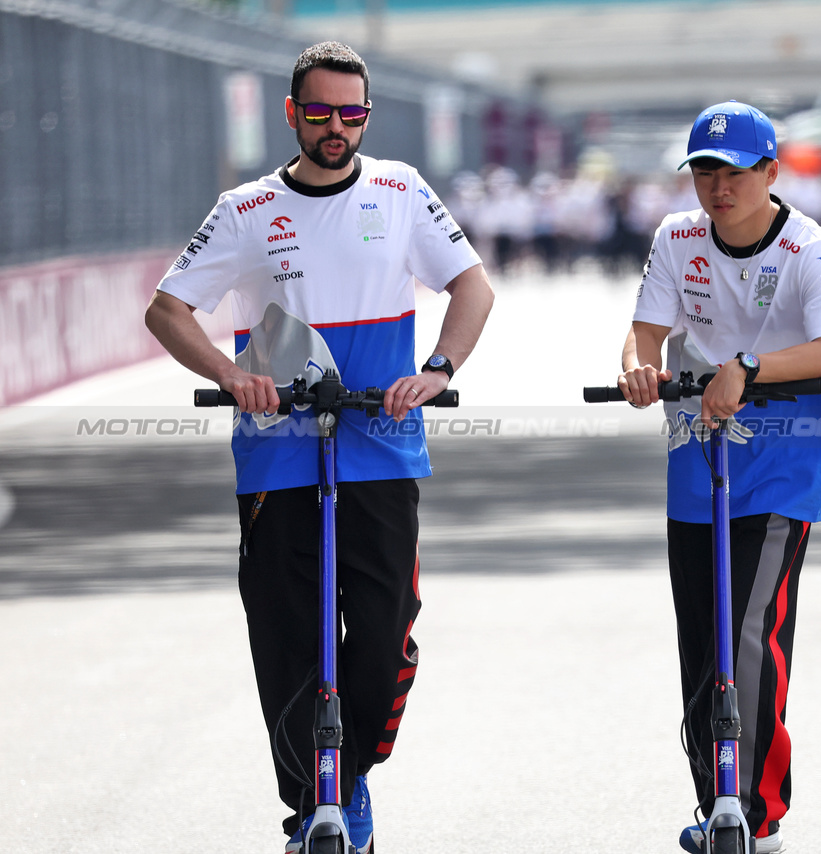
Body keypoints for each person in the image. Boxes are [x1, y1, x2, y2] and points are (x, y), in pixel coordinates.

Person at [143, 42, 494, 854]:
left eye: (353, 114)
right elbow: (167, 310)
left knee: (384, 627)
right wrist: (232, 375)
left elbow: (472, 286)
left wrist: (438, 369)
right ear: (293, 113)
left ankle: (353, 771)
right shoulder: (243, 208)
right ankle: (314, 806)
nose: (337, 128)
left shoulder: (402, 189)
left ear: (366, 116)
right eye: (321, 113)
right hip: (276, 451)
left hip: (382, 441)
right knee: (287, 633)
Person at [617, 101, 821, 854]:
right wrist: (636, 369)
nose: (720, 188)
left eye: (737, 174)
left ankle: (753, 807)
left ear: (771, 174)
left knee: (748, 628)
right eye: (705, 173)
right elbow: (645, 331)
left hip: (787, 460)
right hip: (699, 452)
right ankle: (716, 797)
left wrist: (747, 367)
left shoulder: (812, 250)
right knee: (703, 634)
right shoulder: (675, 237)